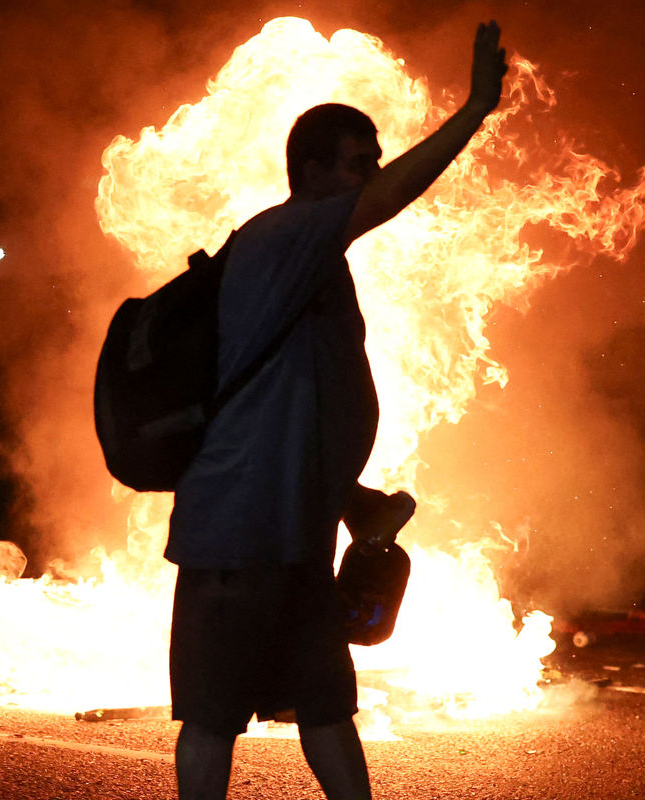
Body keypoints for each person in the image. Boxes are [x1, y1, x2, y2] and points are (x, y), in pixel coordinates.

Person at [163, 21, 508, 800]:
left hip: (295, 539)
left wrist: (353, 502)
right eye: (359, 161)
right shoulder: (287, 235)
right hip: (237, 537)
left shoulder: (315, 260)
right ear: (313, 172)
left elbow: (303, 406)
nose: (373, 172)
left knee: (325, 704)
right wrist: (476, 108)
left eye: (374, 158)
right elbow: (392, 198)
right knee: (215, 718)